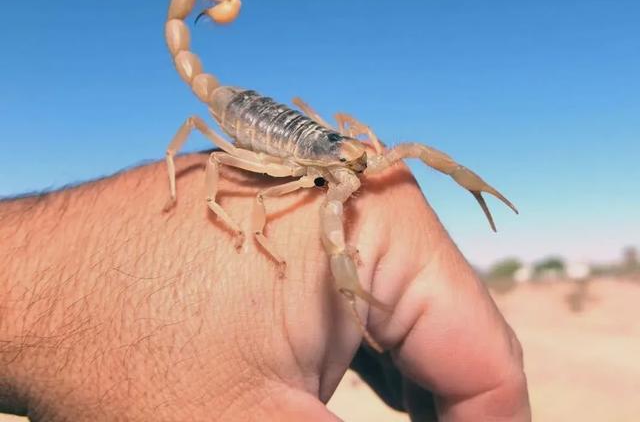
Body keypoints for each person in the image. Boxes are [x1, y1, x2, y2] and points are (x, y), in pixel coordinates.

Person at [0, 152, 530, 421]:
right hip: (274, 141)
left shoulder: (348, 156)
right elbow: (251, 192)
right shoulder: (302, 175)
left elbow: (411, 149)